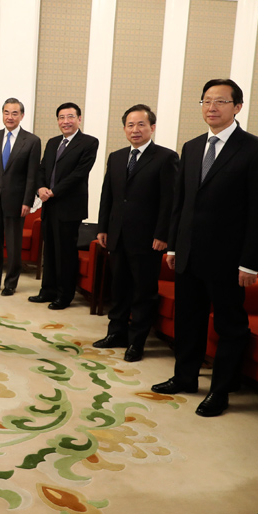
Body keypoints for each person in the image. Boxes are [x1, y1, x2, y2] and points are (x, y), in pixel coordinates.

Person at [152, 78, 258, 417]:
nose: (212, 107)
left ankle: (221, 391)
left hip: (229, 260)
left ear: (237, 107)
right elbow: (181, 203)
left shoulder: (257, 150)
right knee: (188, 321)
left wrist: (250, 263)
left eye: (221, 101)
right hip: (189, 255)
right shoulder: (192, 147)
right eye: (207, 100)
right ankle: (185, 377)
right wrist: (174, 247)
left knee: (229, 326)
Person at [93, 105, 178, 362]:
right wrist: (103, 227)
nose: (135, 129)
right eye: (130, 125)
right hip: (117, 235)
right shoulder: (116, 157)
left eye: (141, 124)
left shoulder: (166, 157)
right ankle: (116, 333)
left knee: (143, 291)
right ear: (124, 129)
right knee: (118, 287)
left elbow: (170, 201)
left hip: (148, 239)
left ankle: (137, 341)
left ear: (152, 127)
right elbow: (108, 195)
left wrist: (163, 234)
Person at [28, 102, 98, 310]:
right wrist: (41, 188)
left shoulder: (89, 142)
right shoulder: (53, 142)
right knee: (49, 250)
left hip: (69, 207)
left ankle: (64, 295)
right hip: (49, 205)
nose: (65, 121)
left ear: (79, 119)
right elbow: (42, 169)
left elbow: (79, 174)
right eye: (61, 117)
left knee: (65, 252)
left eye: (70, 117)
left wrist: (53, 191)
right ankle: (47, 290)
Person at [0, 98, 41, 296]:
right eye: (6, 112)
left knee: (13, 245)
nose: (10, 117)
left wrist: (27, 202)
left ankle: (11, 283)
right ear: (2, 114)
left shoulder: (32, 141)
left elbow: (32, 176)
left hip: (16, 201)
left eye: (14, 113)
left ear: (22, 116)